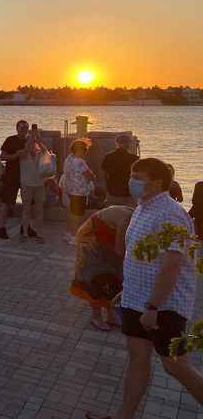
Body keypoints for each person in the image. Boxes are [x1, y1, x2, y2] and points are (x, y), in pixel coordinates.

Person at [86, 159, 203, 419]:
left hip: (164, 306)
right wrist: (128, 291)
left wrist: (153, 307)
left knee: (176, 366)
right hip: (136, 300)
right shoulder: (142, 208)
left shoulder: (172, 214)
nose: (132, 181)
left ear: (158, 182)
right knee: (138, 358)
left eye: (138, 176)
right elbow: (139, 258)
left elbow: (171, 267)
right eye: (132, 175)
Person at [70, 206, 133, 332]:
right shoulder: (127, 219)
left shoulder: (139, 218)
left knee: (114, 276)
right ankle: (96, 316)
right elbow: (120, 251)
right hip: (90, 238)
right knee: (95, 277)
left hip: (107, 241)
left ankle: (111, 315)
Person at [0, 120, 30, 239]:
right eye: (22, 127)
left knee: (27, 202)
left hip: (27, 176)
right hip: (11, 175)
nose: (24, 129)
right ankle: (2, 227)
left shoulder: (30, 141)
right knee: (6, 202)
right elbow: (2, 157)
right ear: (17, 128)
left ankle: (25, 226)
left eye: (26, 127)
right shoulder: (10, 140)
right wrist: (16, 155)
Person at [64, 139, 96, 245]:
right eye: (85, 149)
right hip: (79, 191)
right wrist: (93, 175)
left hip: (70, 190)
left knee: (71, 212)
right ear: (80, 150)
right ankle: (74, 237)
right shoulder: (80, 162)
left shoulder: (69, 158)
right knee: (77, 215)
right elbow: (89, 175)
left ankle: (68, 233)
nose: (86, 152)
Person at [18, 130, 46, 243]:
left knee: (39, 209)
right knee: (26, 209)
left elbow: (46, 151)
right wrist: (30, 138)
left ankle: (39, 232)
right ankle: (25, 232)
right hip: (26, 184)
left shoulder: (41, 154)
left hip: (39, 184)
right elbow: (25, 151)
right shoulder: (23, 153)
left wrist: (38, 139)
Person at [102, 135, 139, 206]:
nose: (127, 144)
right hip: (129, 192)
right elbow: (138, 177)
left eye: (127, 142)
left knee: (113, 214)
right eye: (126, 142)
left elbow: (104, 174)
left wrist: (106, 189)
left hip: (113, 190)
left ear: (117, 143)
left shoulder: (108, 157)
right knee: (129, 214)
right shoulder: (134, 158)